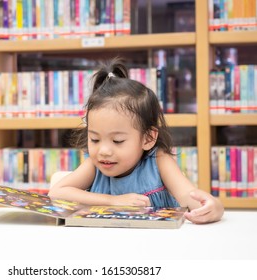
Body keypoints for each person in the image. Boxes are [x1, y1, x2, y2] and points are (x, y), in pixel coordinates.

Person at [48, 57, 224, 224]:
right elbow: (57, 193)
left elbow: (189, 196)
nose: (103, 150)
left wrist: (214, 208)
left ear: (148, 138)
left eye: (117, 141)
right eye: (95, 139)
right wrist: (112, 201)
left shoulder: (158, 161)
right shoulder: (95, 166)